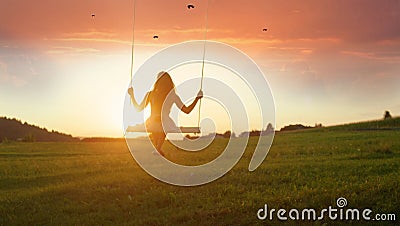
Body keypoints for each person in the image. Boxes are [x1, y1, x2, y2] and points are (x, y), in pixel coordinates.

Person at [128, 71, 203, 156]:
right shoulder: (171, 95)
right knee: (162, 127)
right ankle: (158, 149)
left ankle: (158, 149)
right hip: (160, 122)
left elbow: (138, 108)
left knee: (161, 127)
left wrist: (132, 95)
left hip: (156, 121)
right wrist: (197, 99)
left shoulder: (152, 94)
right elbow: (187, 110)